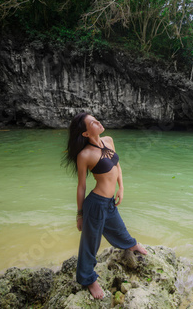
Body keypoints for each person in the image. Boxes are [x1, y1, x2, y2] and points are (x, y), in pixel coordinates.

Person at [63, 112, 147, 299]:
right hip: (95, 204)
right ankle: (88, 279)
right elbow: (81, 186)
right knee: (90, 244)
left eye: (96, 119)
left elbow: (117, 166)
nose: (98, 122)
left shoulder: (108, 140)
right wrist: (79, 214)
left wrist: (121, 188)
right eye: (92, 122)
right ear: (85, 133)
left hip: (109, 202)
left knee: (119, 228)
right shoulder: (85, 155)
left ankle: (131, 244)